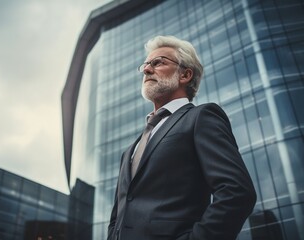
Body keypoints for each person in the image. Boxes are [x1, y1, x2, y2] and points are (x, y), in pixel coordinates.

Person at [107, 35, 257, 240]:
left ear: (185, 75)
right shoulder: (130, 150)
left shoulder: (200, 117)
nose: (146, 69)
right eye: (145, 65)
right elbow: (117, 217)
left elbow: (236, 193)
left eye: (158, 62)